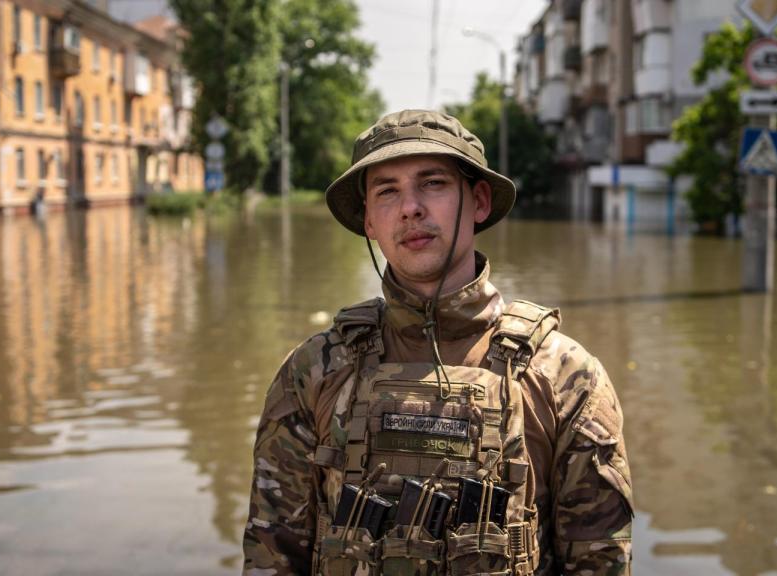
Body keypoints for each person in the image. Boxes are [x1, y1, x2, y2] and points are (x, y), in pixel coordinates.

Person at [243, 110, 633, 575]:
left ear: (479, 201)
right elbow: (273, 556)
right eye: (387, 191)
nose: (410, 208)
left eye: (433, 183)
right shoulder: (314, 371)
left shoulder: (566, 376)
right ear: (368, 219)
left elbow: (600, 562)